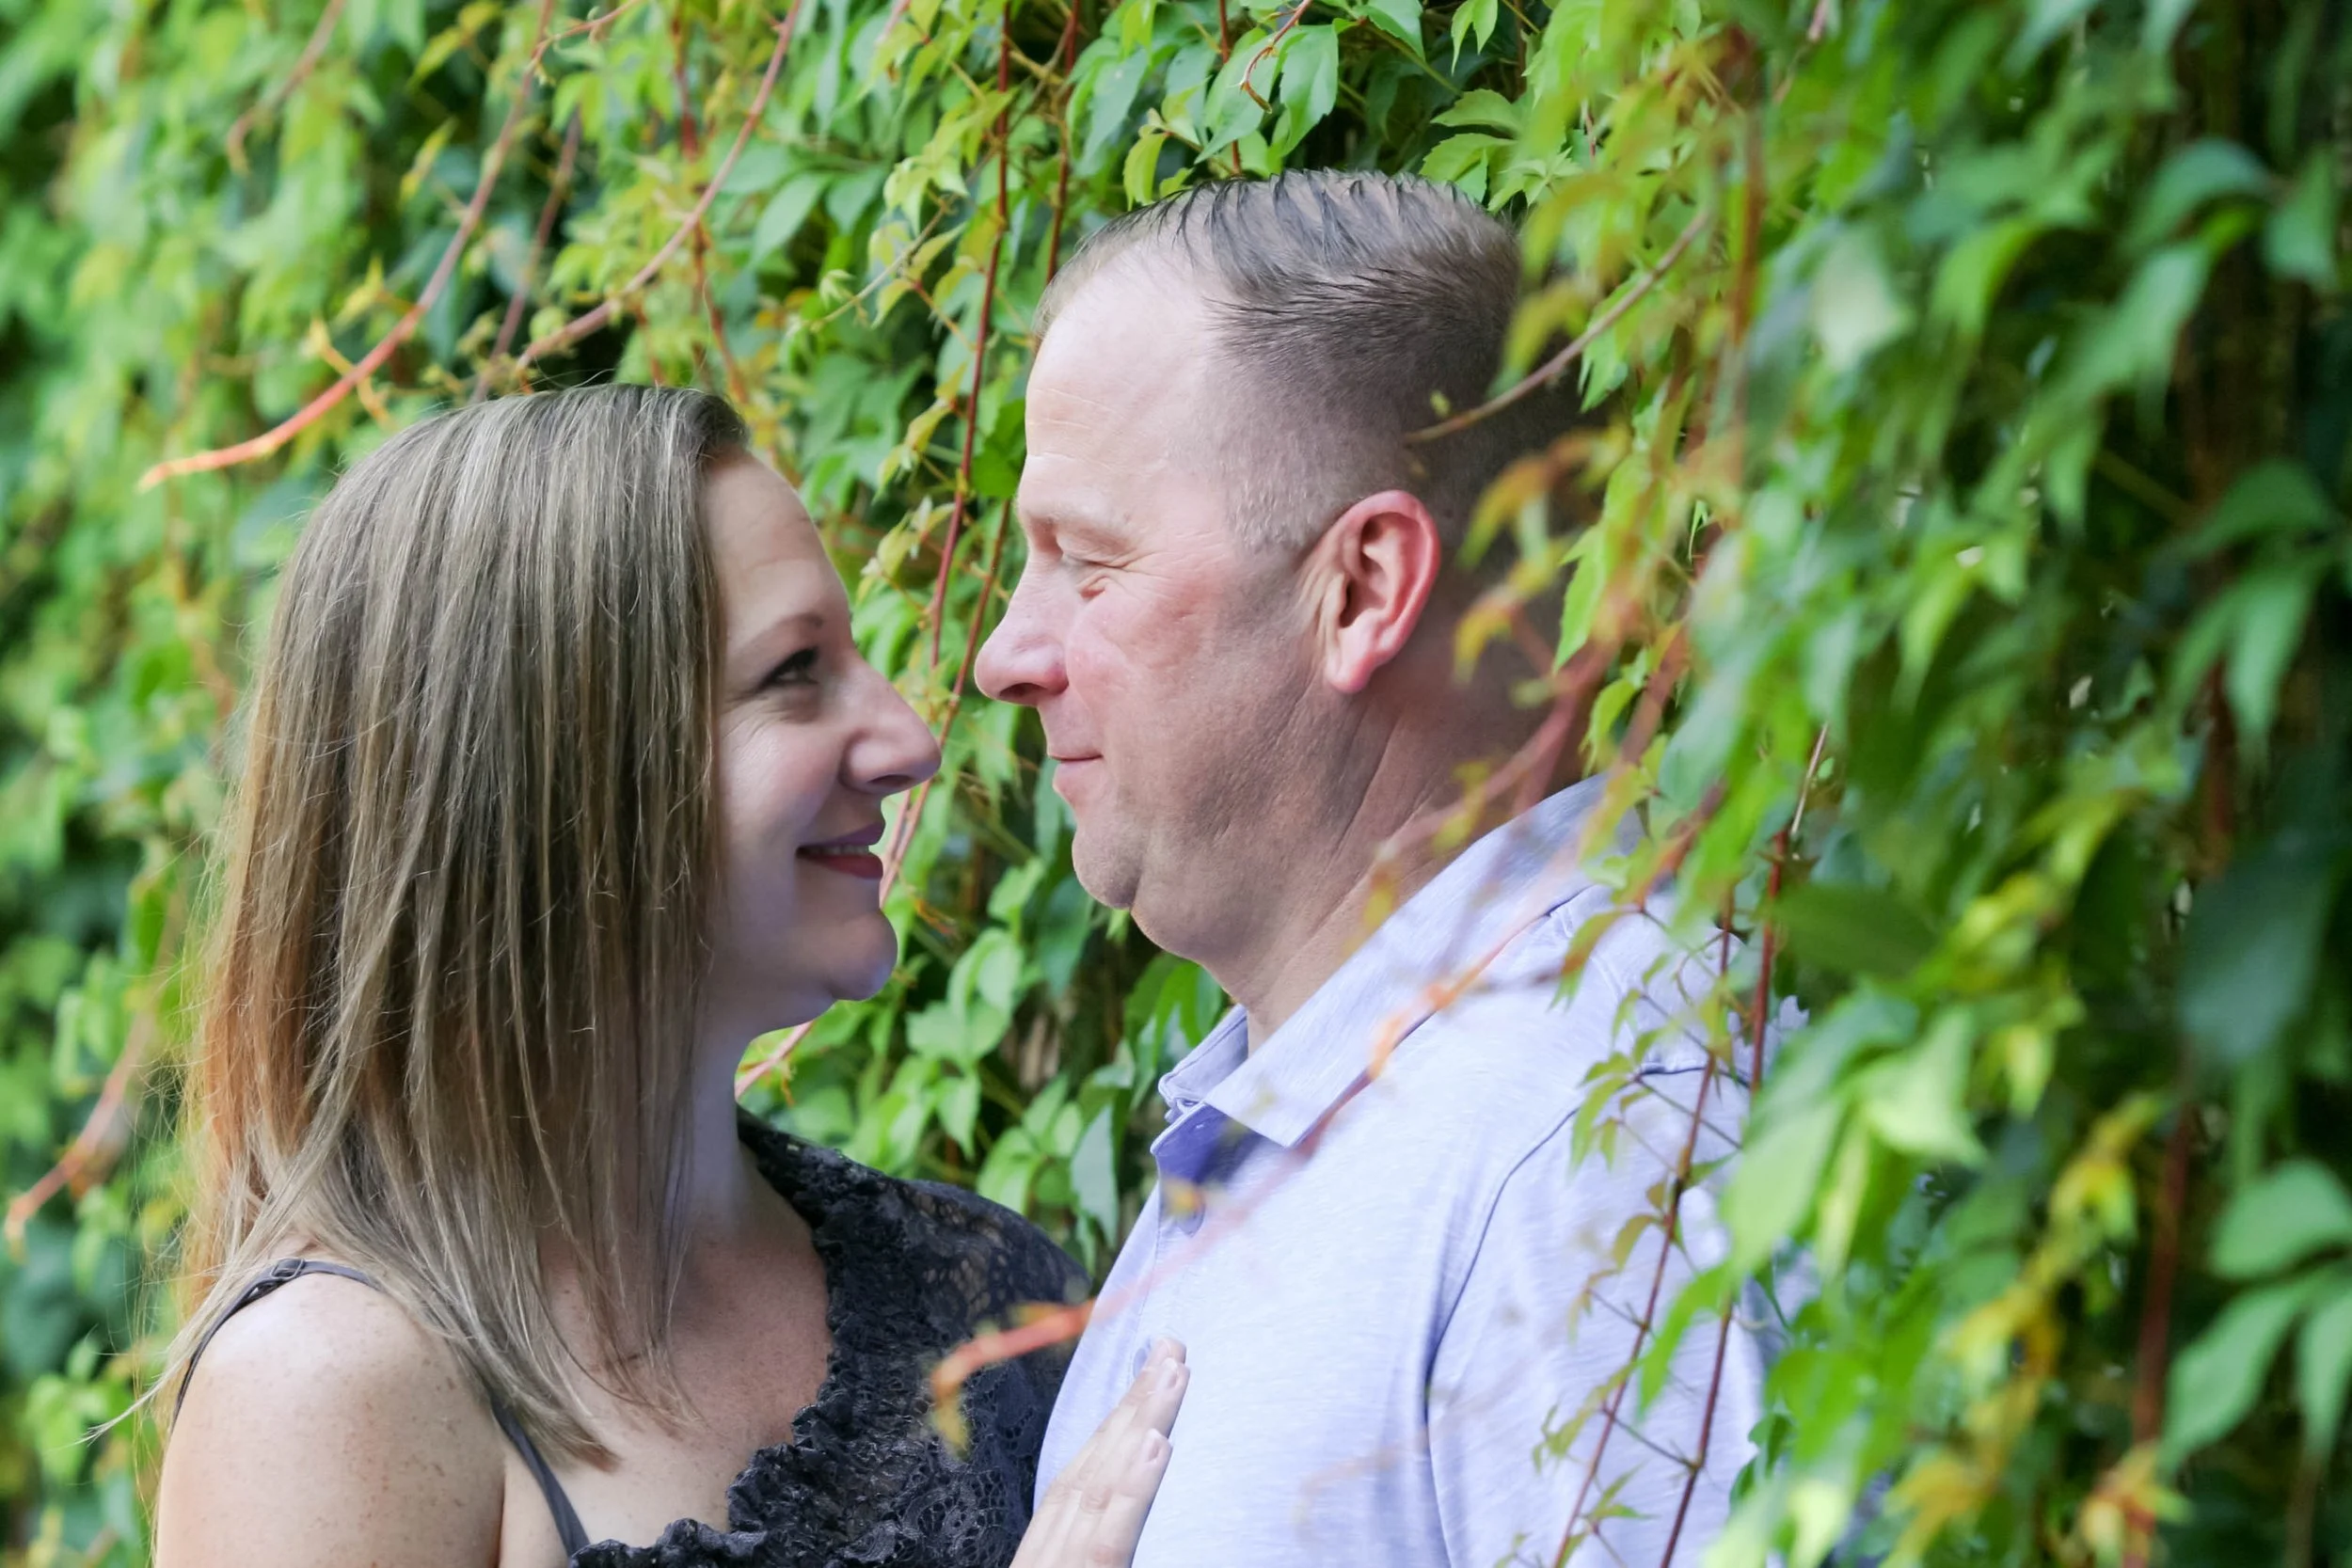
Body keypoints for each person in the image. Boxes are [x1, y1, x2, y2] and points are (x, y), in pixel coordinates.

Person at [154, 386, 1184, 1568]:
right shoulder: (331, 1392)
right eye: (794, 671)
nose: (910, 739)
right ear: (550, 774)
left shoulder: (992, 1297)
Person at [977, 171, 1764, 1565]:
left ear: (1359, 591)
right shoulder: (1309, 1111)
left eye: (1086, 565)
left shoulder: (1595, 1148)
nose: (1004, 655)